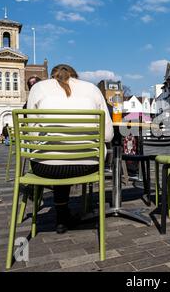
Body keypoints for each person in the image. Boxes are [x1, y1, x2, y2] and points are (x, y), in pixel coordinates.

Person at [26, 64, 114, 234]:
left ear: (53, 76)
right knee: (67, 157)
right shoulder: (92, 89)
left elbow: (32, 133)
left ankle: (61, 216)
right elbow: (108, 135)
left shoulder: (37, 88)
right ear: (76, 76)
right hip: (87, 164)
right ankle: (64, 215)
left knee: (56, 157)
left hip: (45, 167)